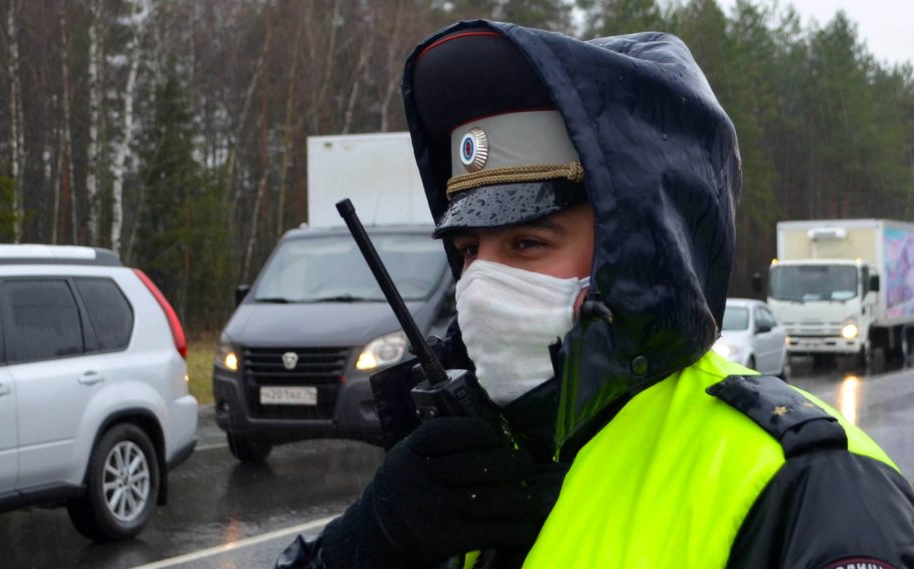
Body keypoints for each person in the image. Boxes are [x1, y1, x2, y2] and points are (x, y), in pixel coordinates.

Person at [276, 21, 914, 569]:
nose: (479, 287)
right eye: (469, 251)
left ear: (641, 254)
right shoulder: (460, 461)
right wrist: (370, 541)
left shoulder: (807, 484)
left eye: (527, 244)